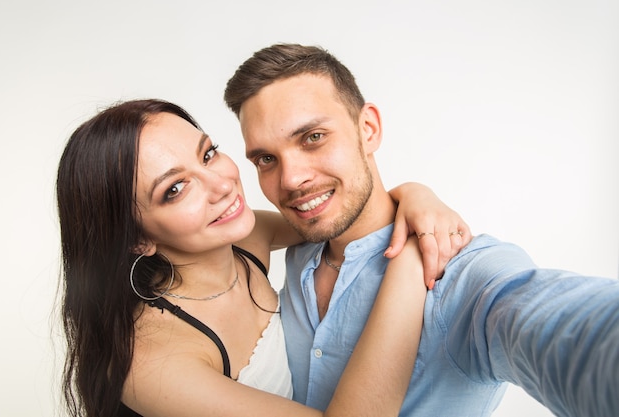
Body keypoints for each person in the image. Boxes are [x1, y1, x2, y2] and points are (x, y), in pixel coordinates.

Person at [223, 43, 619, 417]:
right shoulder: (299, 251)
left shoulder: (454, 268)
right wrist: (413, 192)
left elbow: (552, 322)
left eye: (313, 137)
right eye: (265, 159)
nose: (291, 180)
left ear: (369, 130)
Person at [56, 99, 470, 417]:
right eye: (175, 189)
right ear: (136, 240)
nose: (220, 184)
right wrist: (413, 254)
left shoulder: (246, 239)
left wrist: (417, 194)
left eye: (207, 154)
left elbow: (345, 212)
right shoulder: (149, 361)